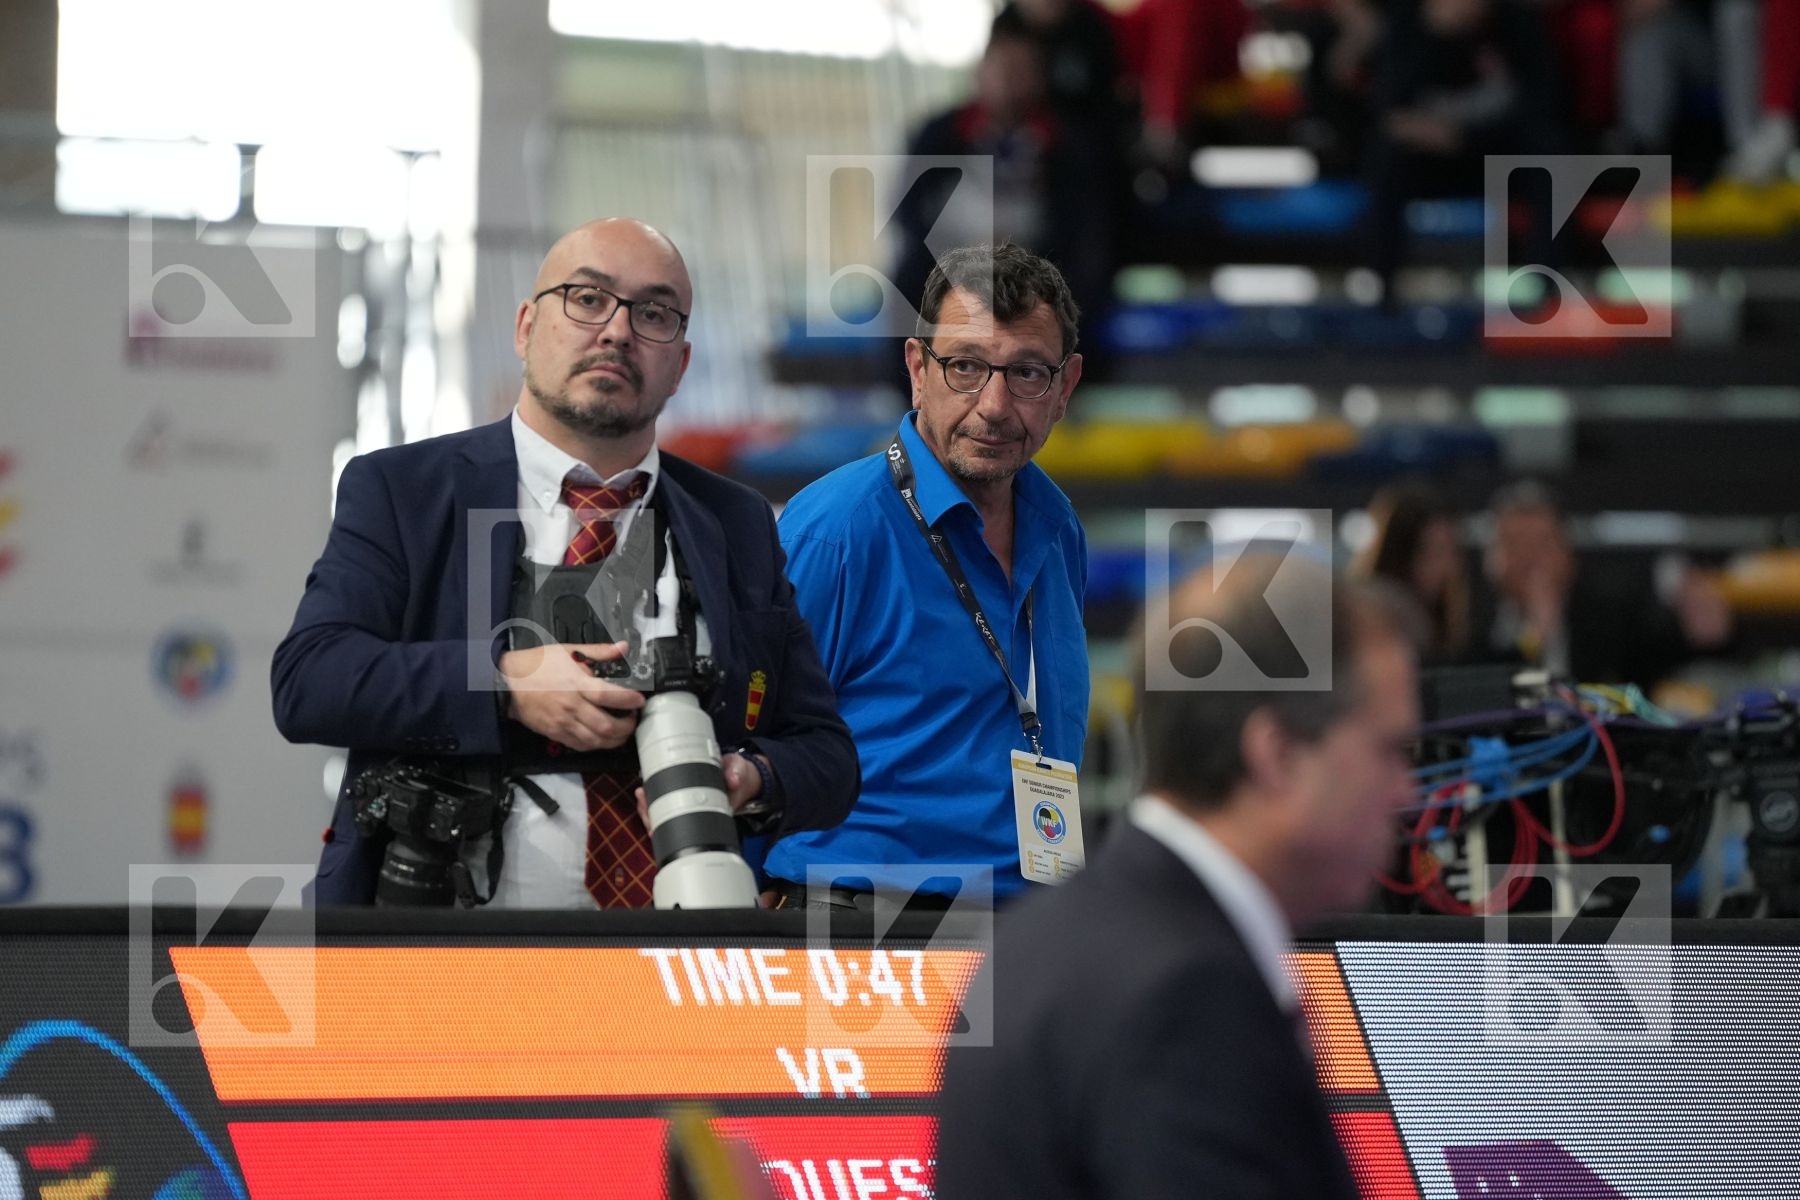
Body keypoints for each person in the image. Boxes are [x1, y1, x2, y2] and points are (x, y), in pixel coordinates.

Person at [273, 217, 857, 907]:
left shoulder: (734, 522)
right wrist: (503, 683)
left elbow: (827, 757)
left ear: (681, 364)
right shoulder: (405, 490)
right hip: (442, 959)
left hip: (672, 968)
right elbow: (311, 680)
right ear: (525, 326)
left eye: (654, 313)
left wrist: (744, 777)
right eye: (587, 298)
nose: (616, 330)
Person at [936, 555, 1418, 1200]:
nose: (1405, 791)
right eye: (1390, 750)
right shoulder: (1192, 999)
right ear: (1277, 754)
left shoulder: (1039, 941)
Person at [767, 242, 1088, 910]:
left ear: (1065, 388)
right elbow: (751, 743)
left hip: (1029, 918)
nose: (995, 405)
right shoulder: (835, 532)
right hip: (865, 922)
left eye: (1027, 373)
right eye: (966, 367)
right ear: (918, 369)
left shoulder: (1059, 528)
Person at [1473, 479, 1733, 685]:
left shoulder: (1609, 615)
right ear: (1490, 557)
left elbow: (1666, 655)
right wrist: (1535, 639)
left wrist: (1702, 631)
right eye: (1515, 545)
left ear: (1568, 554)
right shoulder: (1469, 621)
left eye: (1543, 544)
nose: (1530, 560)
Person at [1352, 481, 1471, 664]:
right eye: (1437, 551)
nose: (1450, 566)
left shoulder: (1434, 614)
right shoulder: (1386, 616)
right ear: (1402, 554)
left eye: (1452, 550)